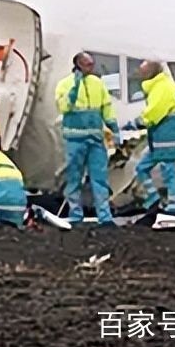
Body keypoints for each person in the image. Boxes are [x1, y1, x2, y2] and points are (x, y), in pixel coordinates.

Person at [54, 52, 118, 227]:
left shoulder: (97, 83)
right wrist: (74, 90)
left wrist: (114, 128)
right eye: (88, 64)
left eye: (92, 64)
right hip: (75, 140)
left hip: (95, 139)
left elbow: (106, 107)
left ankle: (104, 216)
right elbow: (63, 107)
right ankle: (75, 214)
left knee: (100, 178)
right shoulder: (65, 84)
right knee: (74, 177)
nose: (92, 67)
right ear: (78, 65)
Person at [122, 60, 175, 216]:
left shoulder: (161, 89)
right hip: (160, 141)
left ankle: (174, 206)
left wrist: (134, 124)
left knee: (168, 171)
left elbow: (153, 114)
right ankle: (153, 200)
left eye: (142, 72)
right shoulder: (161, 85)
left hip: (167, 140)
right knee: (142, 168)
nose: (139, 75)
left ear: (151, 73)